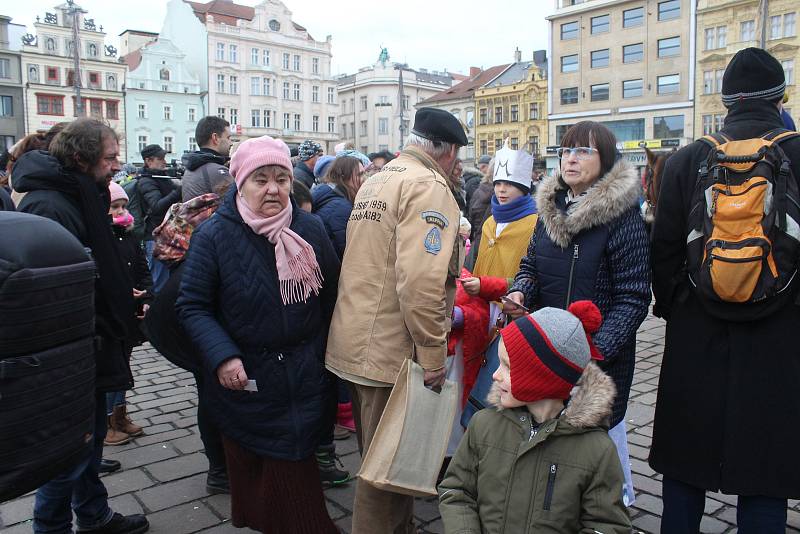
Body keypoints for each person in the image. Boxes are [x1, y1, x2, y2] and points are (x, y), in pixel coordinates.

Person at [650, 47, 800, 533]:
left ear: (726, 100)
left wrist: (682, 307)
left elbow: (665, 249)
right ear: (781, 96)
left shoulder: (689, 158)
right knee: (766, 473)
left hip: (699, 327)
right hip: (782, 333)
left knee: (685, 462)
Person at [176, 135, 340, 533]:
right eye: (261, 179)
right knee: (262, 471)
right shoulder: (215, 235)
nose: (273, 189)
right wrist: (223, 355)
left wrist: (330, 356)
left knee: (297, 466)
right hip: (247, 374)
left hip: (305, 370)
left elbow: (334, 296)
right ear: (240, 181)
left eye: (282, 179)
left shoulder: (310, 228)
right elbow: (192, 305)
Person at [325, 107, 467, 534]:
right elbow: (422, 283)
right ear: (449, 151)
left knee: (378, 458)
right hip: (390, 349)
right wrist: (433, 355)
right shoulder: (428, 186)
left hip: (357, 339)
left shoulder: (378, 179)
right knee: (386, 477)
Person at [505, 121, 651, 508]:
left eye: (584, 151)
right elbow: (531, 267)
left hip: (598, 360)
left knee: (596, 446)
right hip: (547, 350)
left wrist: (595, 351)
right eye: (567, 150)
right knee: (547, 436)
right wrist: (521, 289)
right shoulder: (551, 210)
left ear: (605, 160)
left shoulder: (623, 217)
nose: (571, 158)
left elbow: (634, 297)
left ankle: (606, 515)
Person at [15, 118, 149, 534]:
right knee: (69, 453)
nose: (116, 164)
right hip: (68, 348)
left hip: (91, 336)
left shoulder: (78, 193)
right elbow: (50, 288)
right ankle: (51, 527)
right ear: (80, 157)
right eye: (109, 157)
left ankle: (93, 515)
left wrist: (116, 296)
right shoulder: (50, 204)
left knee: (85, 444)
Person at [438, 303, 632, 533]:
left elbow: (607, 525)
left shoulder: (596, 451)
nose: (495, 375)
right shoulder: (483, 425)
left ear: (542, 379)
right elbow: (457, 491)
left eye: (508, 367)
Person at [311, 154, 368, 444]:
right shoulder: (341, 208)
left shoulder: (330, 200)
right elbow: (350, 254)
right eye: (361, 174)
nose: (365, 180)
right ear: (347, 177)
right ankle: (344, 411)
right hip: (334, 291)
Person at [103, 182, 152, 447]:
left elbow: (143, 269)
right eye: (115, 207)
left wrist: (147, 296)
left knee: (124, 365)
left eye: (123, 206)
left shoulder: (131, 235)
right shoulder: (102, 237)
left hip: (131, 311)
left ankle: (120, 415)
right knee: (112, 367)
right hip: (113, 314)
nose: (121, 211)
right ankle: (107, 421)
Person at [137, 144, 180, 292]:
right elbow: (156, 207)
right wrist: (178, 191)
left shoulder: (161, 177)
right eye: (160, 159)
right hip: (155, 238)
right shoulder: (146, 181)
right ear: (148, 161)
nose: (164, 162)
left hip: (167, 235)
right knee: (159, 283)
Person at [181, 116, 233, 202]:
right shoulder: (217, 172)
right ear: (215, 138)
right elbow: (241, 204)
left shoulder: (192, 166)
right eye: (228, 138)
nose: (231, 143)